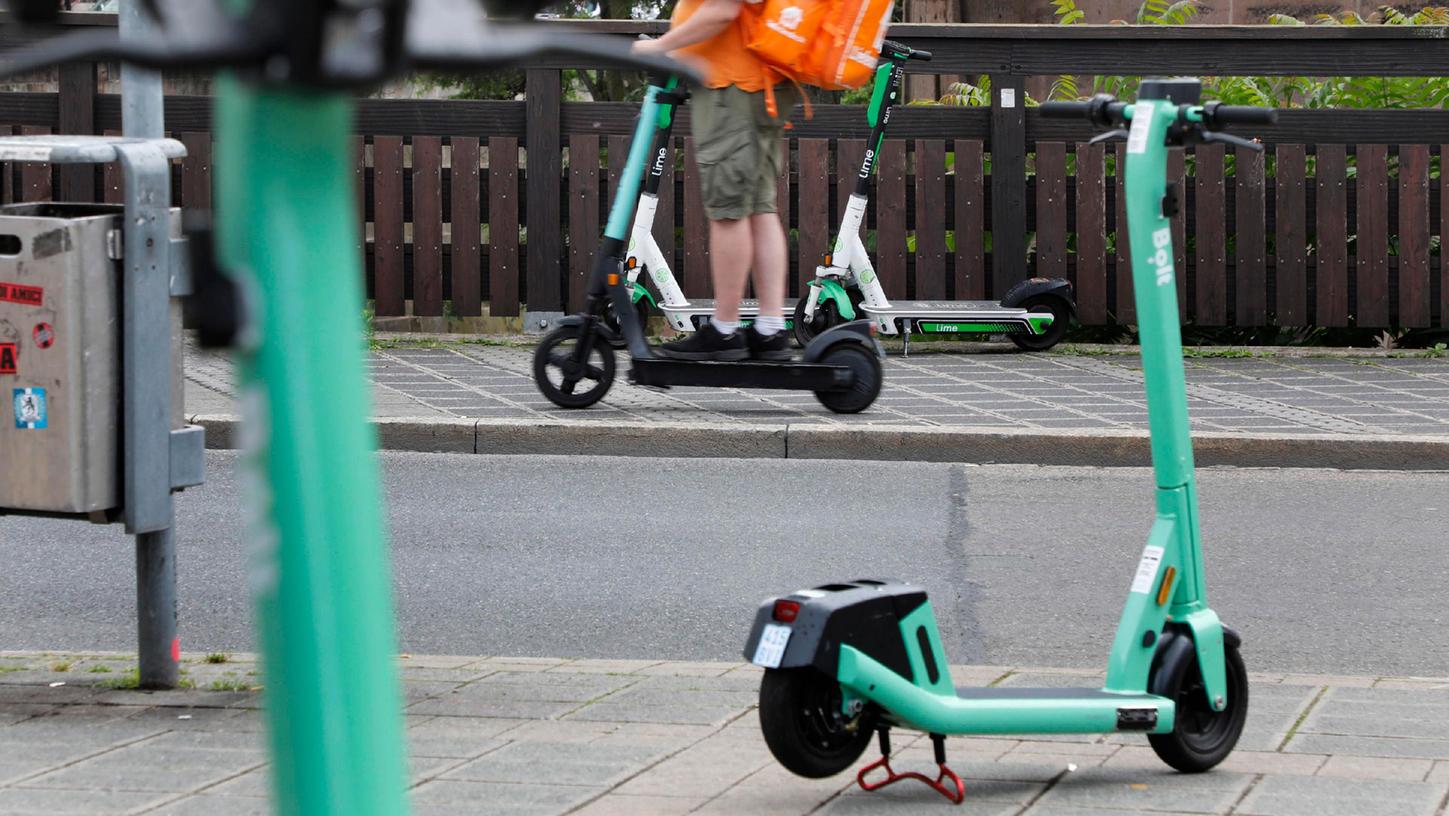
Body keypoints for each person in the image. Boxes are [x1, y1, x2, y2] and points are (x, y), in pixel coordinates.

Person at [633, 0, 795, 361]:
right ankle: (770, 329)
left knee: (728, 212)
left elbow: (724, 8)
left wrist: (661, 46)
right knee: (758, 209)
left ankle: (724, 330)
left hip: (732, 87)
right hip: (760, 81)